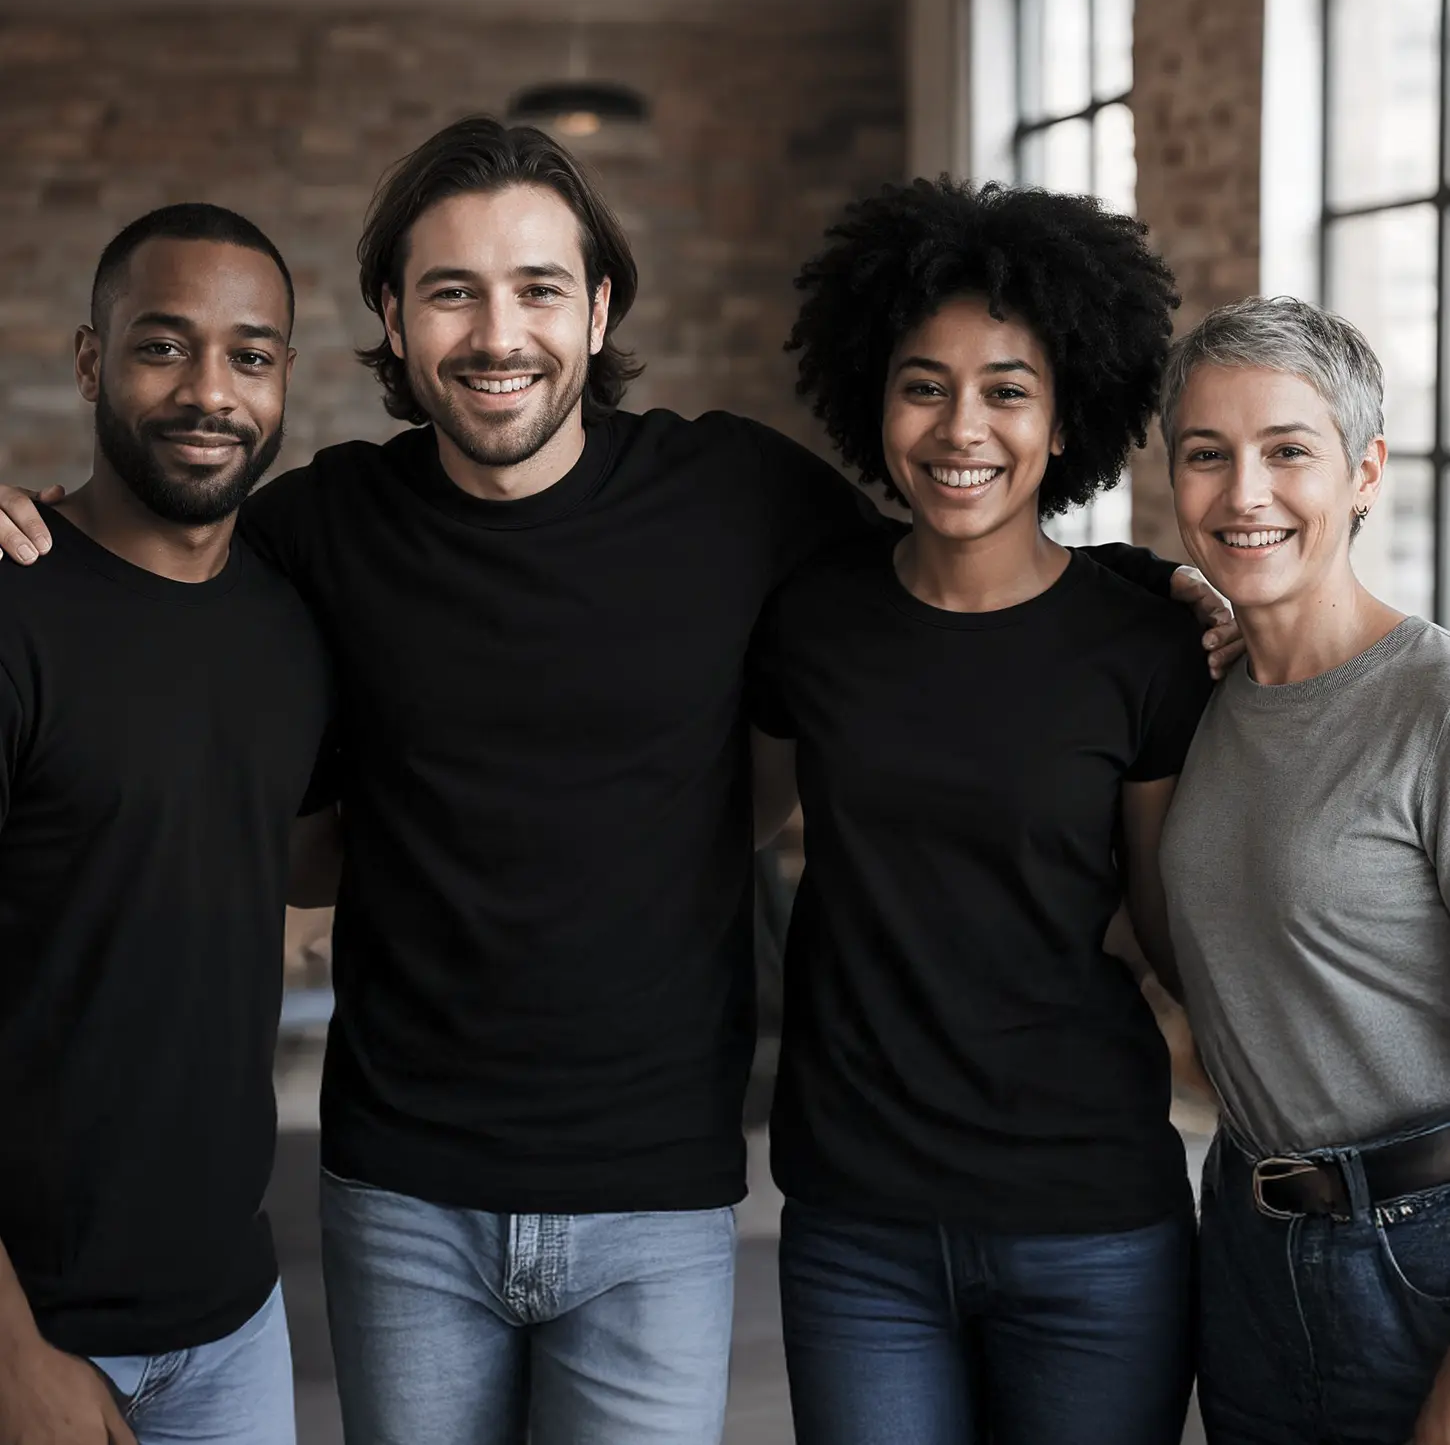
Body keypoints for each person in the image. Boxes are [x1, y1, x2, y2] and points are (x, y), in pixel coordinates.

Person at [0, 121, 1236, 1445]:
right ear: (393, 320)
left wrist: (1149, 588)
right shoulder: (319, 525)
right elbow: (157, 545)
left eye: (537, 288)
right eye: (450, 291)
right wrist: (37, 520)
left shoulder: (738, 498)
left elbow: (956, 560)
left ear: (595, 311)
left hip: (659, 1189)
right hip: (402, 1184)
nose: (496, 332)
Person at [748, 177, 1217, 1445]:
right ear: (872, 399)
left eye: (1008, 388)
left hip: (1091, 1222)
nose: (963, 426)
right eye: (924, 383)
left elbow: (1173, 935)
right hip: (858, 1226)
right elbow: (727, 818)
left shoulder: (1141, 641)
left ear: (1067, 417)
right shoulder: (814, 618)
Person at [0, 204, 332, 1445]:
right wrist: (12, 1350)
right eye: (162, 346)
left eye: (250, 354)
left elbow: (292, 846)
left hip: (233, 1325)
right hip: (29, 1321)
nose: (210, 390)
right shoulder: (14, 611)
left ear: (285, 376)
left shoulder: (290, 629)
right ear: (90, 361)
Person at [1158, 297, 1450, 1445]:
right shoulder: (1195, 697)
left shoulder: (1430, 704)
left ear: (1366, 471)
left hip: (1418, 1249)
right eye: (1206, 454)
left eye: (1288, 451)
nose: (1243, 493)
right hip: (1243, 1234)